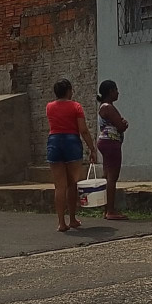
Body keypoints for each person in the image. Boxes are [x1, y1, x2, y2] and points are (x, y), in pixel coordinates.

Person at [46, 78, 97, 232]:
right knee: (72, 183)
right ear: (68, 90)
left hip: (54, 141)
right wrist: (92, 148)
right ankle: (73, 218)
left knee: (59, 186)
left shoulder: (49, 107)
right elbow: (83, 129)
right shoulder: (76, 106)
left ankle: (61, 222)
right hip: (71, 141)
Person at [97, 80, 128, 221]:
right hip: (111, 142)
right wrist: (124, 124)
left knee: (107, 175)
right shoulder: (108, 108)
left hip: (105, 142)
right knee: (112, 177)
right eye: (115, 90)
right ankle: (110, 210)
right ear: (110, 91)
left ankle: (106, 208)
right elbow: (120, 126)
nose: (118, 92)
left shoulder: (104, 107)